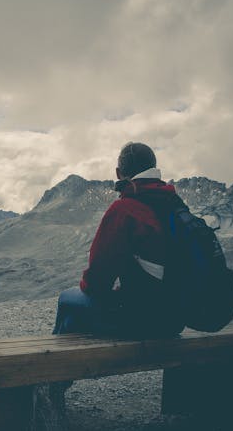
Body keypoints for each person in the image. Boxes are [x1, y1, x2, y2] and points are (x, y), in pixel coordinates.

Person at [52, 142, 184, 339]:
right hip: (176, 319)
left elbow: (97, 281)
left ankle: (58, 364)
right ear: (154, 168)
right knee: (74, 319)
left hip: (143, 319)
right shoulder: (174, 204)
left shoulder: (125, 210)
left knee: (67, 299)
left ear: (118, 173)